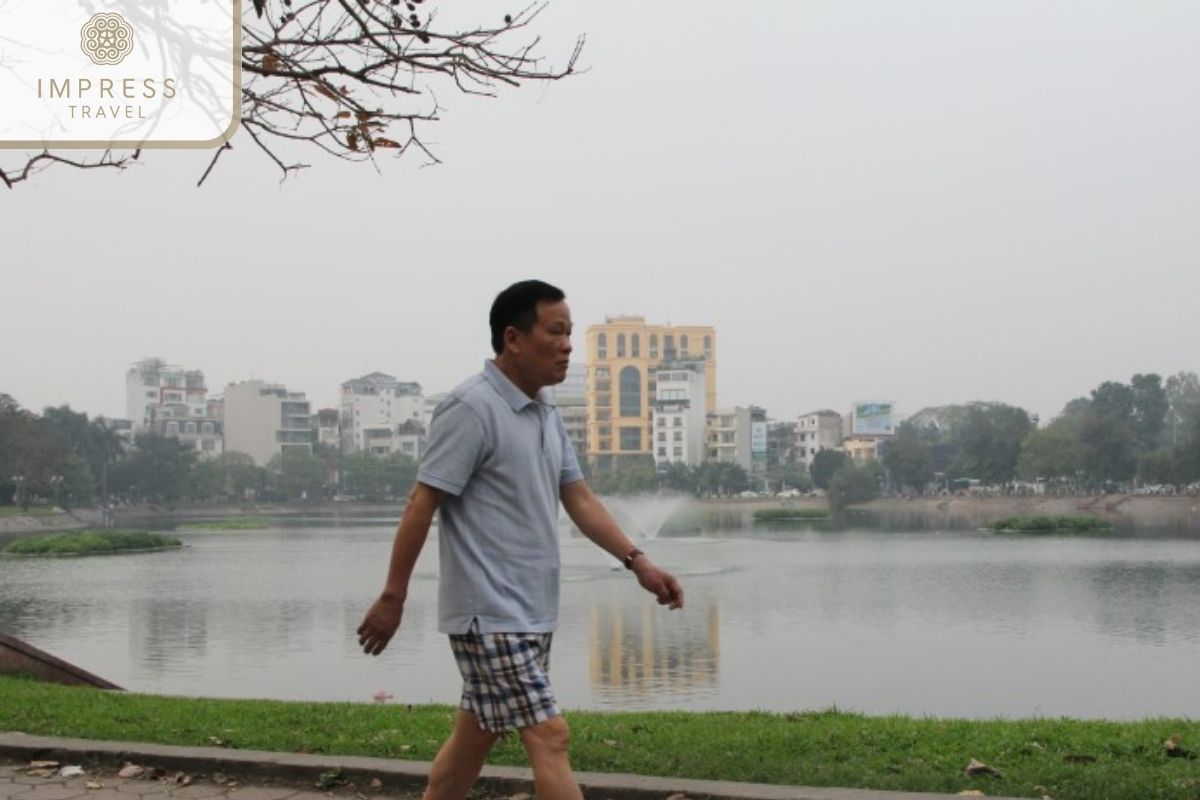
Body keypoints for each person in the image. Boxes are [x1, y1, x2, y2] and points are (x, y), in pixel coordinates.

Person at [356, 279, 684, 800]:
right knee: (550, 737)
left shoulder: (545, 411)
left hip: (531, 609)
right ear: (513, 338)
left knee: (476, 735)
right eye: (555, 332)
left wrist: (637, 560)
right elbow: (422, 503)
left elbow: (578, 498)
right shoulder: (471, 407)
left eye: (570, 333)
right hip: (488, 614)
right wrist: (394, 596)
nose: (568, 345)